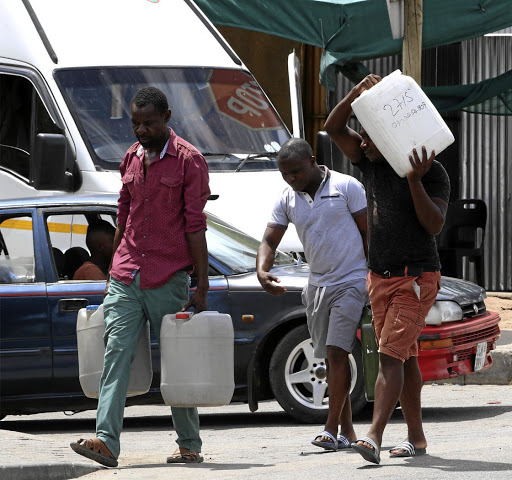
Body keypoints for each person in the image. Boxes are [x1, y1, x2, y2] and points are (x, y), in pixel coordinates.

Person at [70, 86, 210, 467]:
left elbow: (196, 226)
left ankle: (189, 444)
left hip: (168, 276)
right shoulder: (130, 158)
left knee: (175, 361)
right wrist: (113, 269)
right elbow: (124, 216)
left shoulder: (189, 161)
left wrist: (202, 285)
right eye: (135, 122)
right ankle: (106, 443)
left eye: (148, 122)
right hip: (127, 275)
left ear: (166, 118)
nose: (141, 129)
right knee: (115, 353)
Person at [324, 74, 450, 464]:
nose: (361, 142)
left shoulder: (432, 172)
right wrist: (355, 94)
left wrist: (413, 180)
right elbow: (332, 128)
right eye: (362, 134)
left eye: (371, 135)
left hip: (415, 278)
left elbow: (434, 225)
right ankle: (418, 439)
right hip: (379, 277)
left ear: (395, 139)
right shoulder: (369, 162)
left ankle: (373, 436)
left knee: (390, 356)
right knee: (406, 357)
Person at [256, 138, 368, 451]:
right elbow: (269, 240)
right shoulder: (287, 199)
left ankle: (330, 429)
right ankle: (347, 432)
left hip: (352, 279)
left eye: (296, 172)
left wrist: (374, 277)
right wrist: (262, 271)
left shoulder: (347, 187)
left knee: (335, 352)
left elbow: (368, 232)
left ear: (312, 161)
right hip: (317, 286)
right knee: (331, 358)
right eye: (285, 174)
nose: (291, 179)